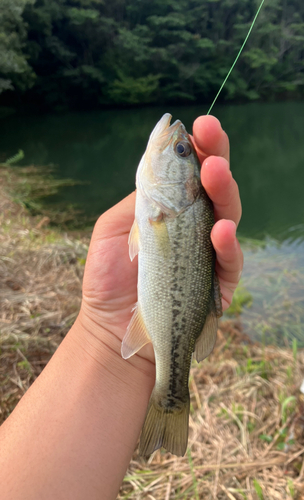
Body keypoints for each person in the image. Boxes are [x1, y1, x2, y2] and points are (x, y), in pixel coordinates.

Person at [0, 115, 243, 500]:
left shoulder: (164, 208)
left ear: (189, 186)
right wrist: (101, 330)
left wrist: (107, 340)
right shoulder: (159, 206)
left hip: (160, 313)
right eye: (183, 151)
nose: (176, 137)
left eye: (179, 151)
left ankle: (171, 394)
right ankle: (171, 394)